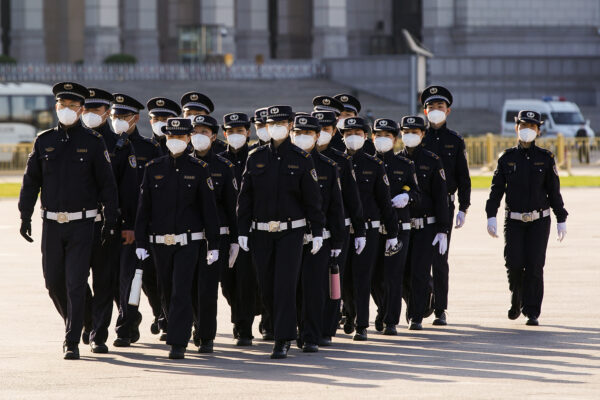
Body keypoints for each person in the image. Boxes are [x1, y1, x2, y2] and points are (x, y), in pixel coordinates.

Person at [18, 82, 119, 359]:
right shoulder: (44, 141)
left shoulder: (93, 142)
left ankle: (71, 340)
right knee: (54, 283)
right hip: (51, 224)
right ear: (56, 107)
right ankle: (81, 322)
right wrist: (24, 215)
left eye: (73, 106)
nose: (67, 110)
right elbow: (30, 183)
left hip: (82, 224)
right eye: (62, 105)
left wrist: (110, 218)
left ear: (81, 109)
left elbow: (107, 185)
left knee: (76, 282)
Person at [237, 105, 325, 359]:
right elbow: (246, 198)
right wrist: (242, 229)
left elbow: (313, 200)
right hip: (261, 231)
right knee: (266, 286)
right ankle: (281, 328)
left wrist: (317, 230)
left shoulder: (302, 158)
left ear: (289, 125)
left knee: (285, 285)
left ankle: (283, 339)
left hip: (291, 232)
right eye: (270, 123)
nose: (275, 127)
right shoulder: (255, 157)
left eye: (280, 122)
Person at [135, 117, 221, 359]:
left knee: (181, 291)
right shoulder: (153, 168)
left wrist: (213, 244)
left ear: (188, 138)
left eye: (180, 137)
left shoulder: (199, 169)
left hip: (189, 242)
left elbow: (209, 211)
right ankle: (177, 330)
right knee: (165, 290)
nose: (175, 141)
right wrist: (141, 242)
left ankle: (178, 342)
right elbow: (144, 210)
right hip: (160, 243)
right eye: (171, 137)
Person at [485, 110, 568, 326]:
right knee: (513, 263)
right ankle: (517, 295)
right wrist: (490, 216)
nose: (527, 130)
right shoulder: (506, 158)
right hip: (513, 220)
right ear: (516, 129)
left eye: (532, 127)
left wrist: (561, 218)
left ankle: (532, 311)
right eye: (523, 126)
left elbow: (553, 191)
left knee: (534, 265)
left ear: (539, 131)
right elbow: (496, 190)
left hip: (539, 220)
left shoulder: (546, 158)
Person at [80, 88, 138, 353]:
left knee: (108, 280)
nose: (91, 115)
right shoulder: (71, 139)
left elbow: (127, 189)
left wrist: (127, 225)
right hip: (76, 223)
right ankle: (87, 319)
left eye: (96, 110)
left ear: (105, 112)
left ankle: (100, 331)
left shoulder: (119, 144)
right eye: (87, 109)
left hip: (110, 223)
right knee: (69, 280)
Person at [110, 93, 164, 346]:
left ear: (135, 118)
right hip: (114, 222)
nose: (118, 120)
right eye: (115, 116)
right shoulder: (105, 144)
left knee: (149, 279)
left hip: (145, 223)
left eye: (123, 116)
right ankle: (127, 325)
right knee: (120, 279)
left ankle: (161, 313)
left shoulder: (148, 148)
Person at [339, 117, 398, 341]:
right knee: (344, 279)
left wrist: (392, 233)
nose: (353, 137)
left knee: (363, 277)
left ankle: (362, 325)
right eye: (348, 133)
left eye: (358, 133)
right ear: (342, 136)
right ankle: (350, 315)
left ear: (366, 136)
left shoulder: (375, 165)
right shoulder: (335, 162)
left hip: (369, 230)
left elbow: (384, 201)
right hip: (344, 230)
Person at [290, 115, 345, 353]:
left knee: (314, 288)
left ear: (316, 137)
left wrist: (337, 240)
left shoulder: (328, 166)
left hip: (318, 237)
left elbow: (336, 206)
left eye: (308, 133)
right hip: (288, 236)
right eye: (298, 132)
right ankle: (293, 329)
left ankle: (311, 335)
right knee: (291, 287)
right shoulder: (283, 162)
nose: (302, 137)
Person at [312, 110, 365, 345]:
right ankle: (309, 325)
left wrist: (360, 231)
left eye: (327, 128)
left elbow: (353, 200)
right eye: (318, 128)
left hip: (336, 229)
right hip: (309, 230)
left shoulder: (340, 161)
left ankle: (328, 328)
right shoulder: (302, 157)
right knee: (311, 282)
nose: (322, 133)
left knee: (334, 279)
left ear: (334, 131)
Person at [420, 85, 471, 325]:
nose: (435, 110)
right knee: (418, 258)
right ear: (425, 110)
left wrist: (463, 207)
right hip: (419, 205)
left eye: (440, 107)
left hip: (445, 207)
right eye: (431, 107)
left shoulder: (455, 141)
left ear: (448, 110)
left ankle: (440, 308)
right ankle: (420, 303)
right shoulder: (418, 137)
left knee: (440, 258)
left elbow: (463, 176)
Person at [190, 113, 239, 352]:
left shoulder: (224, 167)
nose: (199, 137)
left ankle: (206, 335)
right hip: (188, 236)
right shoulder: (182, 163)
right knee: (187, 287)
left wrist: (235, 240)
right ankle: (196, 325)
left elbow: (232, 207)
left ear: (214, 136)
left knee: (208, 289)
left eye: (204, 132)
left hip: (216, 237)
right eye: (195, 132)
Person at [398, 116, 449, 331]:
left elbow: (441, 197)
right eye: (406, 131)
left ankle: (416, 315)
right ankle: (417, 303)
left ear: (423, 134)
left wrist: (442, 229)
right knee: (403, 273)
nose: (410, 135)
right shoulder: (395, 161)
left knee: (419, 271)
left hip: (426, 225)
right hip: (402, 226)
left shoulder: (432, 160)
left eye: (415, 131)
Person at [370, 118, 420, 335]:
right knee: (373, 277)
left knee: (393, 275)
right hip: (373, 228)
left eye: (387, 136)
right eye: (378, 135)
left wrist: (407, 196)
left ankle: (391, 320)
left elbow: (418, 194)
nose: (382, 140)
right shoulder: (367, 164)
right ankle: (382, 309)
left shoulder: (405, 165)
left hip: (399, 227)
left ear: (395, 139)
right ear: (372, 138)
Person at [218, 113, 263, 345]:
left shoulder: (256, 158)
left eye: (240, 130)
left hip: (248, 230)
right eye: (231, 131)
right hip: (225, 231)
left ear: (248, 132)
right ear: (225, 134)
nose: (236, 134)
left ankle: (244, 328)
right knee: (227, 282)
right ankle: (239, 316)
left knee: (246, 279)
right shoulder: (217, 161)